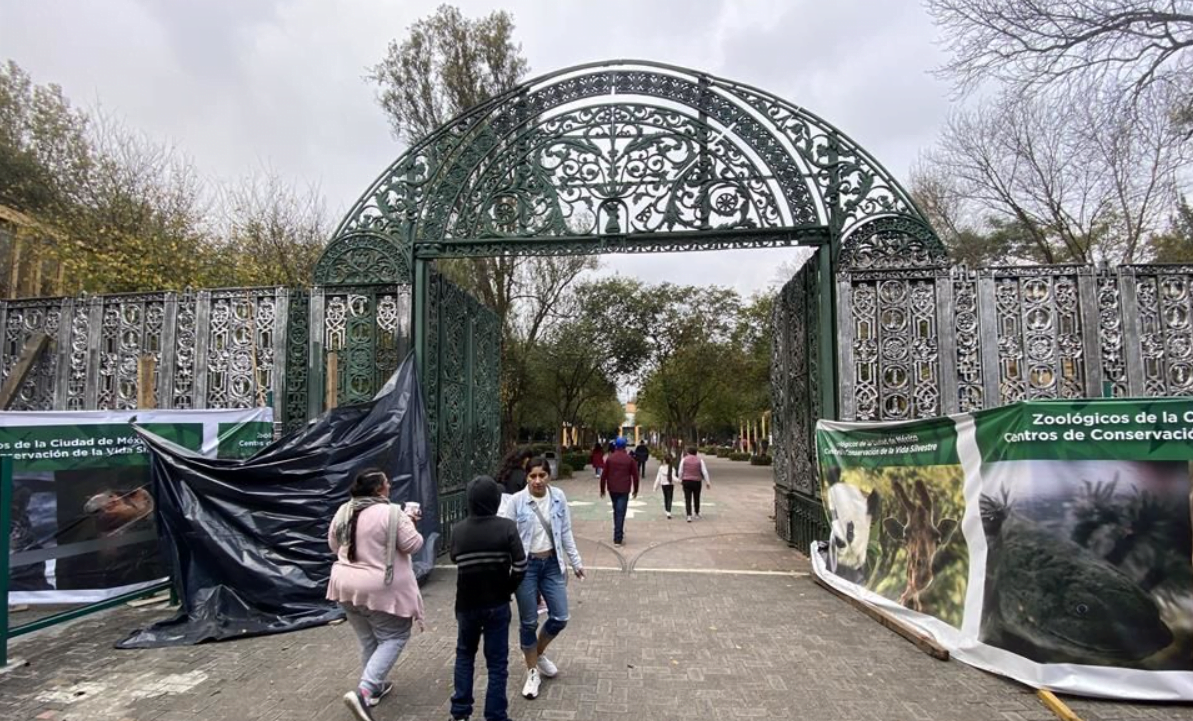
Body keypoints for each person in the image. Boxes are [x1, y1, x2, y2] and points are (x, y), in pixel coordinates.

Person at [327, 469, 424, 721]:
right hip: (379, 588)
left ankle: (374, 690)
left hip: (344, 585)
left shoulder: (344, 510)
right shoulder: (393, 513)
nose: (390, 485)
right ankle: (364, 691)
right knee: (395, 636)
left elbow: (333, 545)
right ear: (379, 489)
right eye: (386, 482)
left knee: (369, 639)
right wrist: (410, 522)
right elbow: (413, 545)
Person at [500, 457, 586, 701]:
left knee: (560, 617)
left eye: (542, 475)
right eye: (533, 476)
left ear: (549, 476)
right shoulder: (516, 501)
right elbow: (506, 535)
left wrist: (576, 562)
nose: (537, 480)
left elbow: (566, 531)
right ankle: (532, 671)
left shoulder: (558, 496)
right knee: (528, 622)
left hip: (551, 565)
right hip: (525, 567)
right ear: (526, 477)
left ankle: (536, 654)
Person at [449, 476, 527, 721]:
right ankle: (495, 715)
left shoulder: (457, 530)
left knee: (464, 655)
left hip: (467, 604)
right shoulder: (506, 527)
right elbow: (521, 565)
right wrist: (508, 588)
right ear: (495, 500)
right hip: (497, 602)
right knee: (497, 664)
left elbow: (454, 559)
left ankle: (460, 713)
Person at [599, 437, 639, 547]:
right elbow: (635, 476)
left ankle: (618, 531)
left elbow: (604, 475)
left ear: (616, 446)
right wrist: (636, 489)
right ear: (625, 446)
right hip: (624, 489)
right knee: (620, 512)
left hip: (612, 488)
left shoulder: (610, 459)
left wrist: (602, 489)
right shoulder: (629, 459)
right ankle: (618, 538)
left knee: (616, 510)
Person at [678, 446, 711, 522]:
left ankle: (689, 515)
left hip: (686, 481)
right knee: (697, 497)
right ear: (696, 453)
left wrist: (680, 479)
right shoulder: (700, 460)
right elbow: (704, 472)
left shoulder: (684, 460)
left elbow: (680, 471)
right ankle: (696, 513)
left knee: (687, 498)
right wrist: (707, 482)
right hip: (697, 481)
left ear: (688, 452)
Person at [652, 452, 678, 519]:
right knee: (670, 498)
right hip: (670, 485)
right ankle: (669, 511)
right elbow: (673, 478)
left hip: (663, 485)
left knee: (665, 497)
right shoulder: (672, 469)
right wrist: (680, 481)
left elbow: (658, 478)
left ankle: (667, 510)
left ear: (664, 460)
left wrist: (655, 487)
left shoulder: (661, 468)